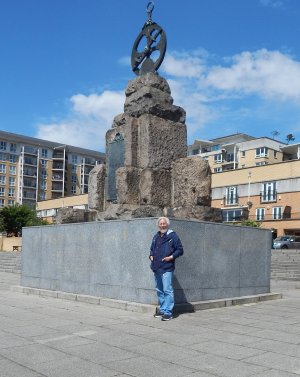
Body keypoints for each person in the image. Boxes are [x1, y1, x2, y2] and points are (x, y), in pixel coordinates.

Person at [149, 217, 184, 321]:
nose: (162, 225)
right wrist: (151, 256)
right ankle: (163, 310)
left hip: (167, 267)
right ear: (158, 225)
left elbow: (180, 250)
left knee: (167, 290)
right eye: (161, 224)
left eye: (164, 224)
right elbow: (152, 248)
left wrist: (171, 257)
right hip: (156, 267)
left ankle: (168, 312)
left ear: (167, 225)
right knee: (159, 290)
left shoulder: (172, 236)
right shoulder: (156, 236)